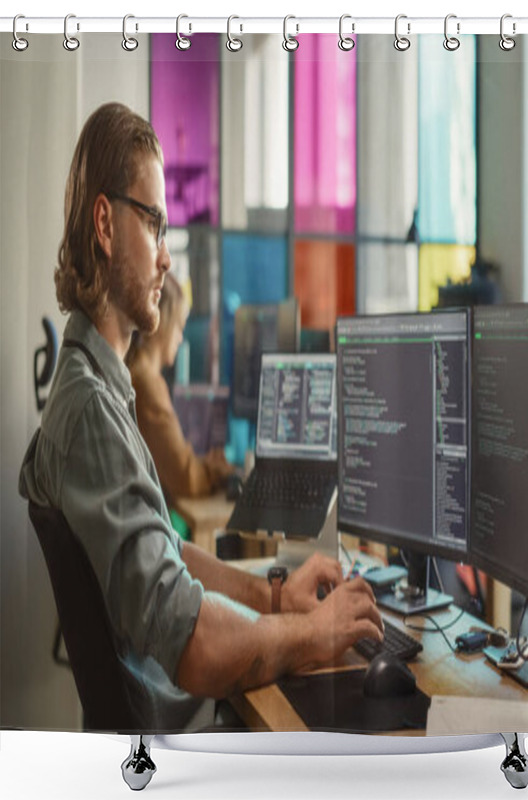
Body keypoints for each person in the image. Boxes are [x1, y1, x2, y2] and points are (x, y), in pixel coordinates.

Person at [18, 102, 383, 732]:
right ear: (106, 224)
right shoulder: (90, 411)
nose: (166, 258)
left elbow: (169, 551)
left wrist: (273, 596)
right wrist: (312, 632)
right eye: (155, 224)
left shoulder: (99, 388)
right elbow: (196, 646)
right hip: (177, 745)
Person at [126, 273, 232, 499]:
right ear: (163, 323)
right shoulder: (147, 384)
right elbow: (186, 479)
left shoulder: (135, 371)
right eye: (179, 327)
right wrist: (219, 473)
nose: (181, 338)